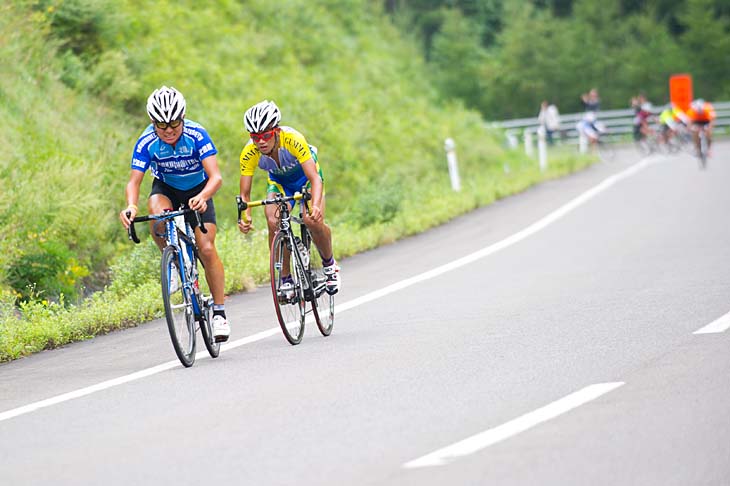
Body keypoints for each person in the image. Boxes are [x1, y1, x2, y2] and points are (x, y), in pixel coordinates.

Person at [119, 86, 230, 342]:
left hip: (198, 189)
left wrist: (203, 197)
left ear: (183, 118)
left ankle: (220, 313)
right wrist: (131, 206)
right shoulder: (147, 140)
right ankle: (172, 263)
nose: (168, 130)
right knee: (156, 215)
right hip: (167, 188)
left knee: (207, 248)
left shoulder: (196, 133)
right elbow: (134, 182)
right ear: (153, 123)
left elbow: (216, 177)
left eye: (174, 124)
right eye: (161, 125)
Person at [237, 100, 340, 296]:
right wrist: (245, 216)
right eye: (255, 137)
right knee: (273, 221)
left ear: (275, 131)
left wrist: (315, 206)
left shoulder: (293, 139)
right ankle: (285, 279)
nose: (261, 142)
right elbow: (245, 194)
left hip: (306, 179)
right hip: (280, 183)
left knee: (312, 220)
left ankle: (330, 265)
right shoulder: (249, 152)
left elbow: (315, 179)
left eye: (266, 135)